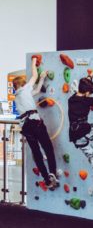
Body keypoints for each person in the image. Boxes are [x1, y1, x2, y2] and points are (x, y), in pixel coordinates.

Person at [13, 57, 58, 189]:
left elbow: (37, 91)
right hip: (35, 122)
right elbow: (35, 75)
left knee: (37, 153)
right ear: (22, 84)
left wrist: (43, 78)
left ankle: (47, 180)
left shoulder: (19, 95)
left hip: (26, 127)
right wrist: (34, 61)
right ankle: (52, 174)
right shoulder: (25, 89)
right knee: (48, 148)